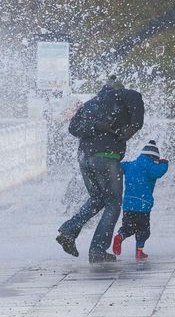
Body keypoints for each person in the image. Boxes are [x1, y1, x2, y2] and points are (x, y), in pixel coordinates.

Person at [56, 76, 144, 263]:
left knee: (97, 198)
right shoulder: (129, 95)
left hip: (85, 158)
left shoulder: (91, 103)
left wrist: (96, 125)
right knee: (113, 202)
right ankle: (97, 250)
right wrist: (124, 134)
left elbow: (73, 128)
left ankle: (69, 230)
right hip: (107, 156)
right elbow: (137, 121)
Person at [112, 140, 169, 260]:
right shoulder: (151, 167)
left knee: (128, 227)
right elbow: (160, 171)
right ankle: (139, 252)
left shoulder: (130, 165)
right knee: (143, 231)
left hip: (128, 205)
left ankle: (120, 236)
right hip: (143, 206)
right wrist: (164, 163)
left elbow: (118, 167)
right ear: (154, 158)